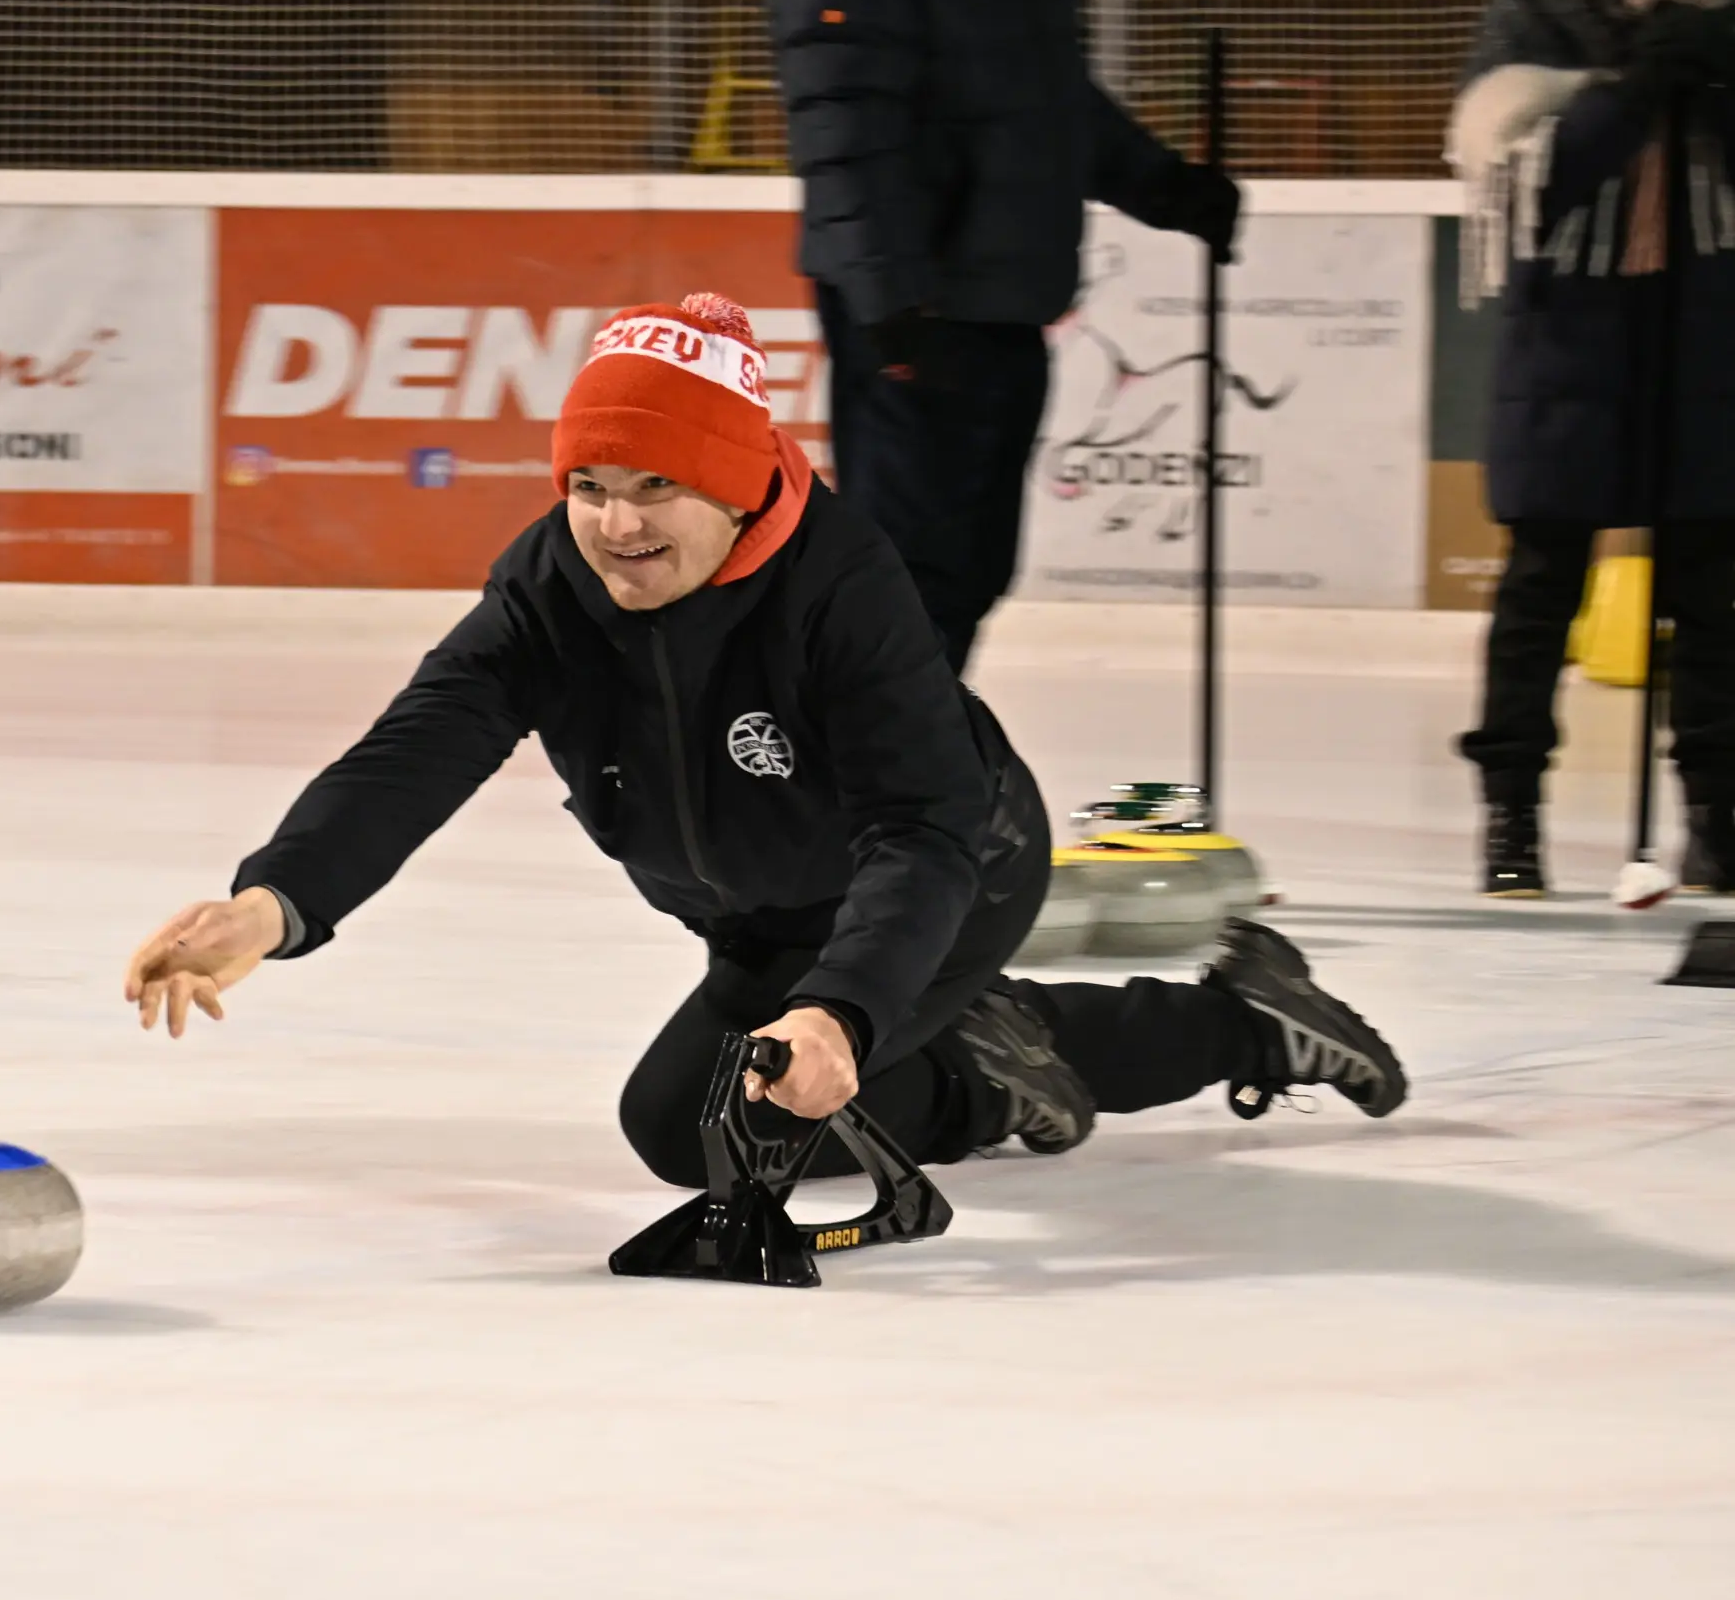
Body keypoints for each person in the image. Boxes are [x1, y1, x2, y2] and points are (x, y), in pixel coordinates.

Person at [121, 294, 1403, 1210]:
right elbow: (419, 747)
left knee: (723, 1122)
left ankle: (1229, 1030)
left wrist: (845, 1005)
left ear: (735, 488)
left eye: (655, 489)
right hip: (758, 904)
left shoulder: (840, 587)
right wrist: (278, 900)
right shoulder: (550, 584)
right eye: (589, 484)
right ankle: (982, 1052)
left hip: (946, 876)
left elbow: (924, 827)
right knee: (684, 1120)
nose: (615, 525)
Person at [768, 0, 1241, 674]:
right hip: (916, 306)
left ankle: (912, 781)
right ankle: (867, 793)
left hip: (1006, 292)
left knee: (973, 571)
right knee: (908, 579)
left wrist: (1169, 188)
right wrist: (889, 297)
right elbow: (841, 129)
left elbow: (1048, 102)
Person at [1450, 0, 1735, 897]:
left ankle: (1717, 814)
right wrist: (1629, 96)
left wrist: (1715, 65)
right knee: (1540, 590)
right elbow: (1523, 172)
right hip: (1574, 329)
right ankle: (1511, 820)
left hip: (1705, 320)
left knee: (1712, 590)